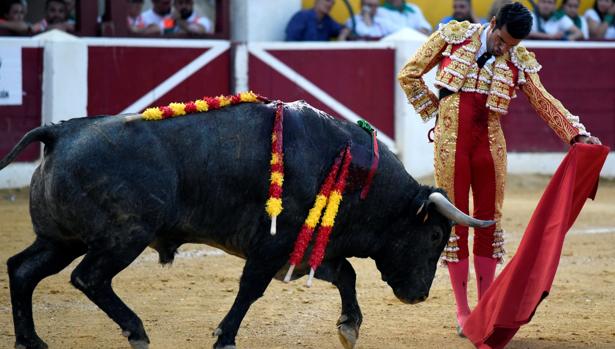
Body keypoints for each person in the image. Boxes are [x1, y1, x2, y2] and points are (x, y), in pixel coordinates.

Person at [397, 2, 601, 336]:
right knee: (457, 222)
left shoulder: (518, 59)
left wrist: (575, 133)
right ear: (493, 23)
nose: (504, 49)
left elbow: (543, 99)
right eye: (502, 41)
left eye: (512, 45)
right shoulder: (454, 36)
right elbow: (409, 73)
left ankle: (485, 307)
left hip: (489, 146)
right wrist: (438, 112)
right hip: (452, 145)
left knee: (489, 224)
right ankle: (464, 311)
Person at [285, 0, 350, 41]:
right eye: (327, 0)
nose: (330, 5)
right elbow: (290, 41)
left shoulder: (327, 20)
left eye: (333, 3)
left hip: (321, 59)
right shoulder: (302, 16)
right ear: (317, 1)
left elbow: (342, 30)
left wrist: (343, 33)